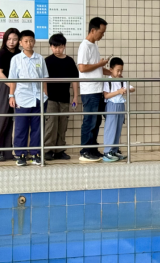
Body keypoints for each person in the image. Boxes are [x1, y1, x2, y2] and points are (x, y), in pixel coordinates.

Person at [8, 30, 49, 166]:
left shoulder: (40, 59)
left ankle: (36, 154)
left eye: (31, 41)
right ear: (20, 43)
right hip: (22, 98)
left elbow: (44, 78)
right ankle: (20, 155)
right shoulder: (16, 59)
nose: (29, 43)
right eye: (26, 41)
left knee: (38, 128)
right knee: (21, 127)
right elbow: (13, 79)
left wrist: (45, 95)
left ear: (34, 41)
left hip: (38, 98)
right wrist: (11, 96)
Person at [78, 17, 110, 163]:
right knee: (89, 121)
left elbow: (97, 68)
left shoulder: (94, 46)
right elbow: (82, 67)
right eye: (101, 32)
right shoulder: (84, 46)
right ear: (93, 30)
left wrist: (110, 72)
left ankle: (92, 148)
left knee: (96, 121)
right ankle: (85, 151)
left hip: (98, 89)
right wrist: (100, 64)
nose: (102, 35)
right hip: (89, 90)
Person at [44, 33, 79, 161]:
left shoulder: (69, 61)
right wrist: (45, 95)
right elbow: (43, 80)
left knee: (62, 124)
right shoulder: (47, 61)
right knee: (51, 124)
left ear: (64, 46)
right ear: (51, 47)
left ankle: (59, 150)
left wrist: (75, 97)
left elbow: (74, 80)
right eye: (54, 47)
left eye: (60, 47)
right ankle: (47, 150)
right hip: (51, 98)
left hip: (65, 98)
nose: (57, 49)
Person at [0, 28, 20, 162]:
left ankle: (7, 152)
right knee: (1, 119)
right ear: (5, 40)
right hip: (4, 87)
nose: (11, 42)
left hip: (17, 88)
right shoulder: (2, 53)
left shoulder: (19, 53)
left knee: (10, 120)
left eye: (15, 39)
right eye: (9, 39)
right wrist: (11, 85)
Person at [102, 57, 135, 162]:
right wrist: (118, 92)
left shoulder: (122, 81)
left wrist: (127, 89)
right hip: (112, 105)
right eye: (118, 70)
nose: (120, 73)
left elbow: (132, 88)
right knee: (111, 128)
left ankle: (114, 150)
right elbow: (106, 95)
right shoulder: (108, 81)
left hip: (121, 105)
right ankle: (107, 152)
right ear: (111, 69)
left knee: (118, 129)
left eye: (121, 70)